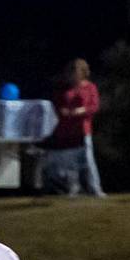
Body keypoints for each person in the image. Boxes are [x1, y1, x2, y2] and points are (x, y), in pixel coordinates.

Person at [48, 58, 106, 197]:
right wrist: (64, 111)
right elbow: (57, 105)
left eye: (76, 71)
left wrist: (81, 111)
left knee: (88, 159)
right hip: (67, 130)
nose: (73, 74)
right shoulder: (65, 89)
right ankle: (73, 188)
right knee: (70, 162)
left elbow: (94, 106)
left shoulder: (90, 87)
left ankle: (95, 188)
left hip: (83, 129)